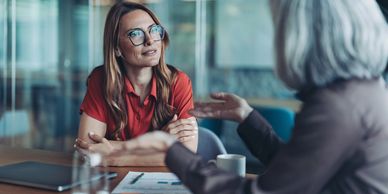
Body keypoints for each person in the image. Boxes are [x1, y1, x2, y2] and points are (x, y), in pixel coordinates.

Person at [94, 0, 388, 193]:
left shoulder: (338, 107)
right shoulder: (363, 91)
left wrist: (169, 149)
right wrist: (246, 117)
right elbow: (296, 168)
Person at [75, 1, 198, 166]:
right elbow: (87, 148)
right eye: (136, 34)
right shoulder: (101, 80)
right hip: (114, 184)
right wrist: (160, 144)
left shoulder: (178, 82)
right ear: (117, 48)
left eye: (154, 30)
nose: (150, 40)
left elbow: (187, 155)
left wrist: (114, 156)